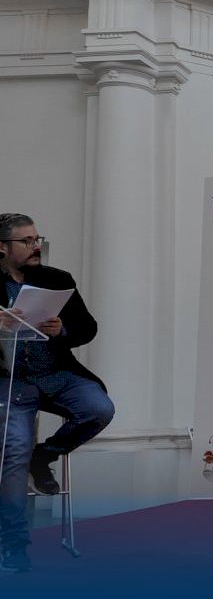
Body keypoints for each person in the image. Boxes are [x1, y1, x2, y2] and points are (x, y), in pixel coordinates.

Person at [0, 213, 115, 572]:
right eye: (27, 241)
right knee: (13, 453)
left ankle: (44, 455)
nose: (36, 246)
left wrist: (62, 329)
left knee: (99, 409)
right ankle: (14, 545)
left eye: (37, 239)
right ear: (2, 247)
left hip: (56, 373)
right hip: (11, 381)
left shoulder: (56, 279)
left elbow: (88, 328)